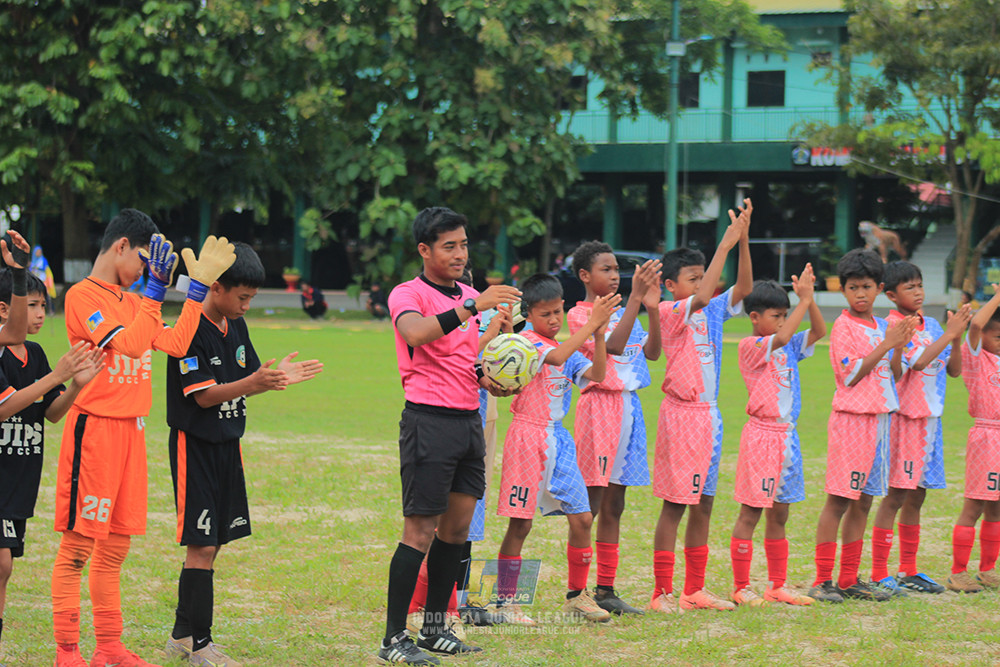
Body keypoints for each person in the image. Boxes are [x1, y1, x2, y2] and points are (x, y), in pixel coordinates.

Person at [50, 209, 236, 667]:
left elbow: (174, 344)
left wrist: (195, 292)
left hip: (131, 433)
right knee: (78, 547)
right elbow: (130, 346)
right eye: (144, 258)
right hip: (94, 431)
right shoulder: (82, 296)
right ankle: (67, 652)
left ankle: (109, 648)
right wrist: (154, 292)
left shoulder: (134, 301)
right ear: (120, 247)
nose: (150, 269)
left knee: (115, 548)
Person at [164, 243, 322, 666]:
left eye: (252, 298)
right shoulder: (189, 327)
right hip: (194, 445)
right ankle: (202, 646)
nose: (248, 306)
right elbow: (203, 397)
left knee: (214, 543)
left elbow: (247, 375)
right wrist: (255, 383)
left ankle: (181, 635)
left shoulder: (234, 324)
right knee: (200, 545)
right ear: (216, 287)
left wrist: (271, 378)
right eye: (243, 297)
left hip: (227, 444)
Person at [379, 206, 520, 665]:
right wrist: (471, 306)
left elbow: (466, 357)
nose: (460, 254)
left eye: (463, 244)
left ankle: (436, 630)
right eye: (449, 246)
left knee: (456, 531)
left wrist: (491, 375)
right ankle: (393, 639)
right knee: (419, 531)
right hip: (428, 421)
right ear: (425, 250)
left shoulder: (467, 294)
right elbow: (417, 334)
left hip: (467, 422)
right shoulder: (409, 293)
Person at [494, 274, 620, 625]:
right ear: (529, 314)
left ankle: (577, 597)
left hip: (559, 439)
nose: (554, 320)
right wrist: (591, 323)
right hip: (527, 438)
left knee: (581, 517)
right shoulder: (525, 342)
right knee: (520, 525)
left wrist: (597, 333)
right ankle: (505, 603)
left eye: (558, 312)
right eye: (546, 313)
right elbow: (559, 355)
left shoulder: (567, 345)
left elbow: (596, 372)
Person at [648, 200, 753, 614]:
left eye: (702, 276)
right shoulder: (672, 310)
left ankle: (695, 589)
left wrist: (742, 241)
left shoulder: (709, 313)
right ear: (671, 285)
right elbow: (707, 293)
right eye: (692, 278)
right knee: (675, 504)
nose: (701, 284)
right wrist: (723, 245)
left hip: (710, 416)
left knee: (704, 502)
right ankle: (661, 593)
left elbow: (742, 288)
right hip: (682, 415)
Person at [0, 270, 104, 651]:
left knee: (4, 569)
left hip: (19, 480)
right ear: (4, 309)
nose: (41, 314)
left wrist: (76, 383)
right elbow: (5, 407)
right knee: (2, 565)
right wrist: (55, 376)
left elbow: (52, 413)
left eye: (44, 305)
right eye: (32, 305)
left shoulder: (37, 354)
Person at [807, 248, 917, 604]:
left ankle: (849, 578)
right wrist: (888, 343)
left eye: (867, 287)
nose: (860, 294)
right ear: (843, 290)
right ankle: (823, 580)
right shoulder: (843, 327)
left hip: (881, 421)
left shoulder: (885, 325)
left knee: (865, 502)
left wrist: (897, 345)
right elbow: (851, 375)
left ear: (878, 287)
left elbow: (896, 375)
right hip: (853, 421)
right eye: (853, 287)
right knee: (839, 501)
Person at [566, 241, 661, 615]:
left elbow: (651, 353)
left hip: (629, 408)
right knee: (591, 502)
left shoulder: (629, 311)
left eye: (615, 267)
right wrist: (636, 297)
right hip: (599, 408)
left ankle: (606, 588)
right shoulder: (579, 315)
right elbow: (615, 347)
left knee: (616, 502)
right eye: (605, 269)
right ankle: (579, 592)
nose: (614, 274)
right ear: (585, 276)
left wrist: (650, 308)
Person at [869, 262, 970, 595]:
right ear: (890, 294)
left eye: (920, 285)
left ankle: (908, 569)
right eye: (909, 287)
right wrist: (950, 333)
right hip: (907, 420)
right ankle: (880, 571)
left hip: (931, 421)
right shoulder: (896, 325)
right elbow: (920, 362)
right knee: (896, 495)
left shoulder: (932, 325)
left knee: (918, 494)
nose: (918, 291)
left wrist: (955, 339)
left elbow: (953, 371)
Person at [729, 268, 826, 608]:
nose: (785, 322)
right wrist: (803, 300)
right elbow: (782, 338)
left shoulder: (788, 348)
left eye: (786, 316)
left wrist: (809, 302)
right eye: (777, 316)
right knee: (751, 513)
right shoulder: (752, 346)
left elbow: (818, 330)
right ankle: (741, 586)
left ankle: (777, 585)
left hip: (788, 437)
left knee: (780, 514)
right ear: (754, 318)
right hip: (762, 437)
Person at [946, 282, 1000, 593]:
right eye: (998, 337)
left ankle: (988, 569)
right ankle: (957, 571)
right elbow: (978, 324)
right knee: (975, 504)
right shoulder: (979, 358)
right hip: (986, 436)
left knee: (996, 507)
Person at [29, 245, 56, 314]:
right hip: (36, 281)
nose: (39, 253)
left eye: (40, 252)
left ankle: (51, 310)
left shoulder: (43, 260)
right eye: (37, 252)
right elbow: (31, 270)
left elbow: (45, 268)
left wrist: (37, 268)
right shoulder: (33, 261)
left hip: (44, 280)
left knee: (47, 295)